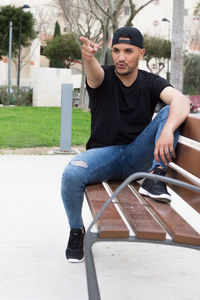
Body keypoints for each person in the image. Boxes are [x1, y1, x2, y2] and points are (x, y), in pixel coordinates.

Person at [61, 27, 190, 263]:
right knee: (71, 173)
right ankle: (76, 231)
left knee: (171, 110)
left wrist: (168, 130)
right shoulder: (104, 75)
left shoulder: (151, 82)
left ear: (141, 53)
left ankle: (155, 177)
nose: (121, 57)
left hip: (136, 156)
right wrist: (88, 58)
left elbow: (181, 100)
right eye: (116, 51)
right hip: (104, 156)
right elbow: (94, 75)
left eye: (128, 51)